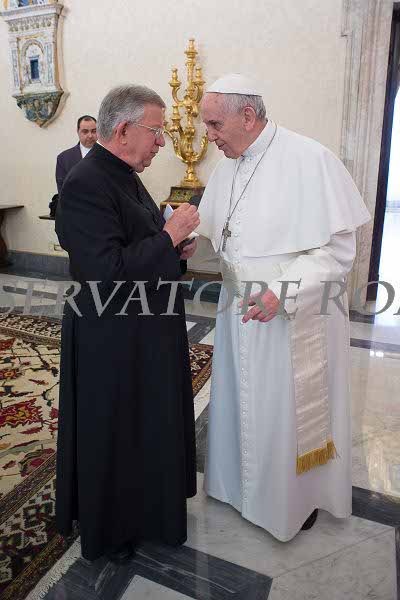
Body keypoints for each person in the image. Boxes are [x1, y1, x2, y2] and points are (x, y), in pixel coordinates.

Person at [196, 73, 370, 542]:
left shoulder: (310, 159)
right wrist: (190, 244)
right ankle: (238, 489)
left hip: (293, 316)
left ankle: (294, 501)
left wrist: (283, 292)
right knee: (240, 402)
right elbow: (221, 234)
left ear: (247, 116)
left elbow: (337, 251)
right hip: (239, 312)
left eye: (214, 124)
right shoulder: (227, 165)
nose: (208, 136)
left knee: (285, 411)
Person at [55, 84, 199, 562]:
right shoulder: (85, 182)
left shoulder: (124, 174)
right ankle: (114, 529)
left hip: (142, 330)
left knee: (145, 426)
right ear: (122, 130)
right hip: (111, 336)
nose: (161, 141)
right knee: (117, 433)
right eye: (156, 131)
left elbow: (137, 242)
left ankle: (150, 513)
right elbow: (106, 273)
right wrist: (169, 236)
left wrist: (175, 248)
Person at [55, 115, 98, 194]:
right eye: (85, 131)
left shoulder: (110, 154)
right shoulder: (64, 159)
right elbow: (63, 192)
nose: (90, 136)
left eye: (94, 131)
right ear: (78, 132)